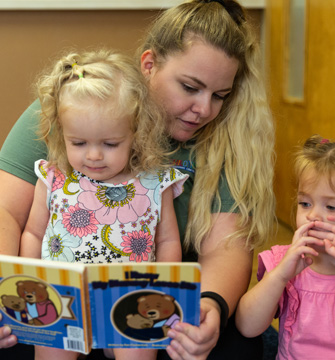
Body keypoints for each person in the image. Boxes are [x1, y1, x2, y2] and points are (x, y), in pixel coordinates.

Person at [0, 0, 275, 358]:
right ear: (149, 64)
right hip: (62, 295)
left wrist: (207, 308)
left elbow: (227, 248)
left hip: (142, 301)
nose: (204, 109)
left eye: (219, 95)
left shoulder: (218, 146)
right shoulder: (77, 106)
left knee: (236, 346)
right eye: (190, 87)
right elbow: (8, 213)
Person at [19, 49, 186, 360]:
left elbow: (167, 240)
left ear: (136, 133)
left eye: (110, 144)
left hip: (128, 301)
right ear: (62, 133)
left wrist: (163, 287)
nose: (94, 156)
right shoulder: (53, 177)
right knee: (50, 351)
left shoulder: (154, 182)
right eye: (78, 143)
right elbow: (32, 233)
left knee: (136, 351)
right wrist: (32, 277)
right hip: (62, 300)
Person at [235, 135, 335, 359]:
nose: (312, 215)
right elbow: (247, 327)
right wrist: (280, 276)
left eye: (331, 206)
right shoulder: (286, 262)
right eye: (305, 203)